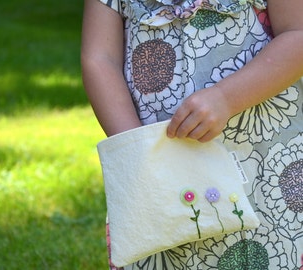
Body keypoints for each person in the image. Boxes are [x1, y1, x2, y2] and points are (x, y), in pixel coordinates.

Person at [82, 0, 303, 269]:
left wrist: (226, 98)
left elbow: (297, 34)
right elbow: (99, 58)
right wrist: (140, 152)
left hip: (261, 151)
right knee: (168, 242)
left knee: (271, 248)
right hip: (160, 155)